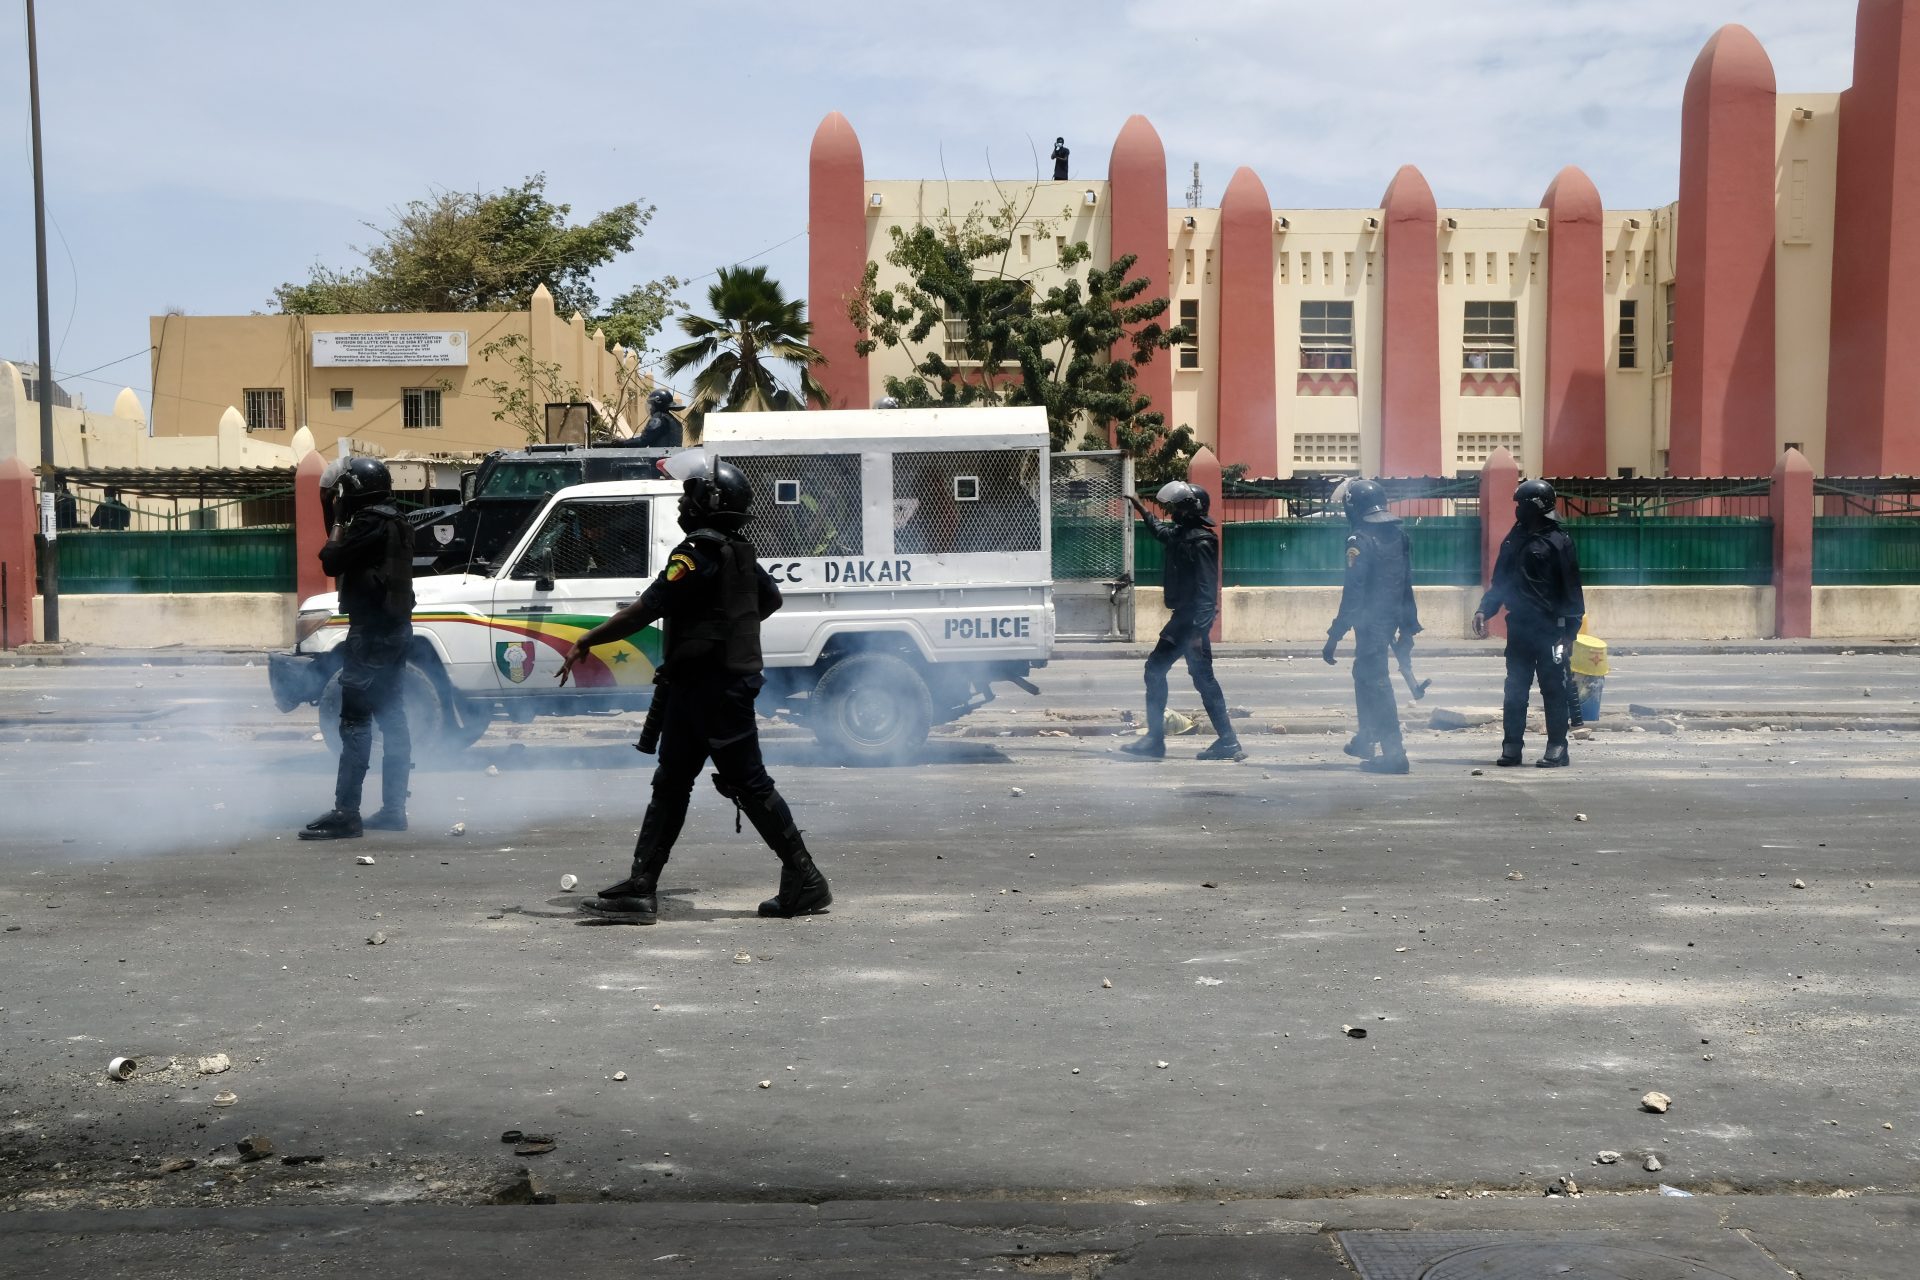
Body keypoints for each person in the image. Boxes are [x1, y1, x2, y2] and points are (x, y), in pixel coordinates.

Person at [559, 449, 830, 924]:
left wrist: (589, 639)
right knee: (671, 783)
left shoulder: (696, 553)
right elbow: (770, 599)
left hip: (712, 691)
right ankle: (640, 888)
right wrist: (722, 626)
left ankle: (805, 878)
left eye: (689, 496)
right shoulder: (737, 550)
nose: (682, 505)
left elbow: (647, 608)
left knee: (748, 783)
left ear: (708, 503)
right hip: (703, 687)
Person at [301, 457, 415, 839]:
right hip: (396, 632)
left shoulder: (369, 523)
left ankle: (347, 812)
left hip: (370, 636)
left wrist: (336, 516)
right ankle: (394, 810)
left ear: (352, 492)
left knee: (355, 720)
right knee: (392, 717)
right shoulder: (397, 520)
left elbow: (331, 561)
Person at [1121, 481, 1243, 762]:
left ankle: (1158, 740)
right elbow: (1160, 530)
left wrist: (1200, 631)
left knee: (1164, 671)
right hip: (1185, 619)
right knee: (1188, 676)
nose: (1172, 511)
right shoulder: (1182, 535)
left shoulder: (1201, 541)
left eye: (1177, 507)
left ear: (1190, 509)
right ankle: (1225, 741)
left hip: (1191, 622)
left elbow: (1207, 590)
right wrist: (1141, 507)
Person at [1473, 479, 1585, 768]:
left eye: (1521, 504)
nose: (1517, 509)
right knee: (1515, 689)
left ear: (1535, 506)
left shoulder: (1559, 541)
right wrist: (1485, 609)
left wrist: (1570, 633)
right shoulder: (1514, 538)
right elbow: (1500, 581)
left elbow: (1572, 590)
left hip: (1551, 630)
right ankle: (1512, 747)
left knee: (1554, 689)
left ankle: (1558, 747)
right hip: (1520, 628)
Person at [1322, 479, 1419, 774]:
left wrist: (1335, 635)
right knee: (1363, 675)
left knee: (1377, 683)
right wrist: (1408, 627)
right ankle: (1366, 738)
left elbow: (1353, 592)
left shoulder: (1359, 539)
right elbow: (1406, 583)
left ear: (1354, 507)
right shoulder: (1399, 535)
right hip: (1390, 619)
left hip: (1371, 622)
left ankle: (1394, 753)